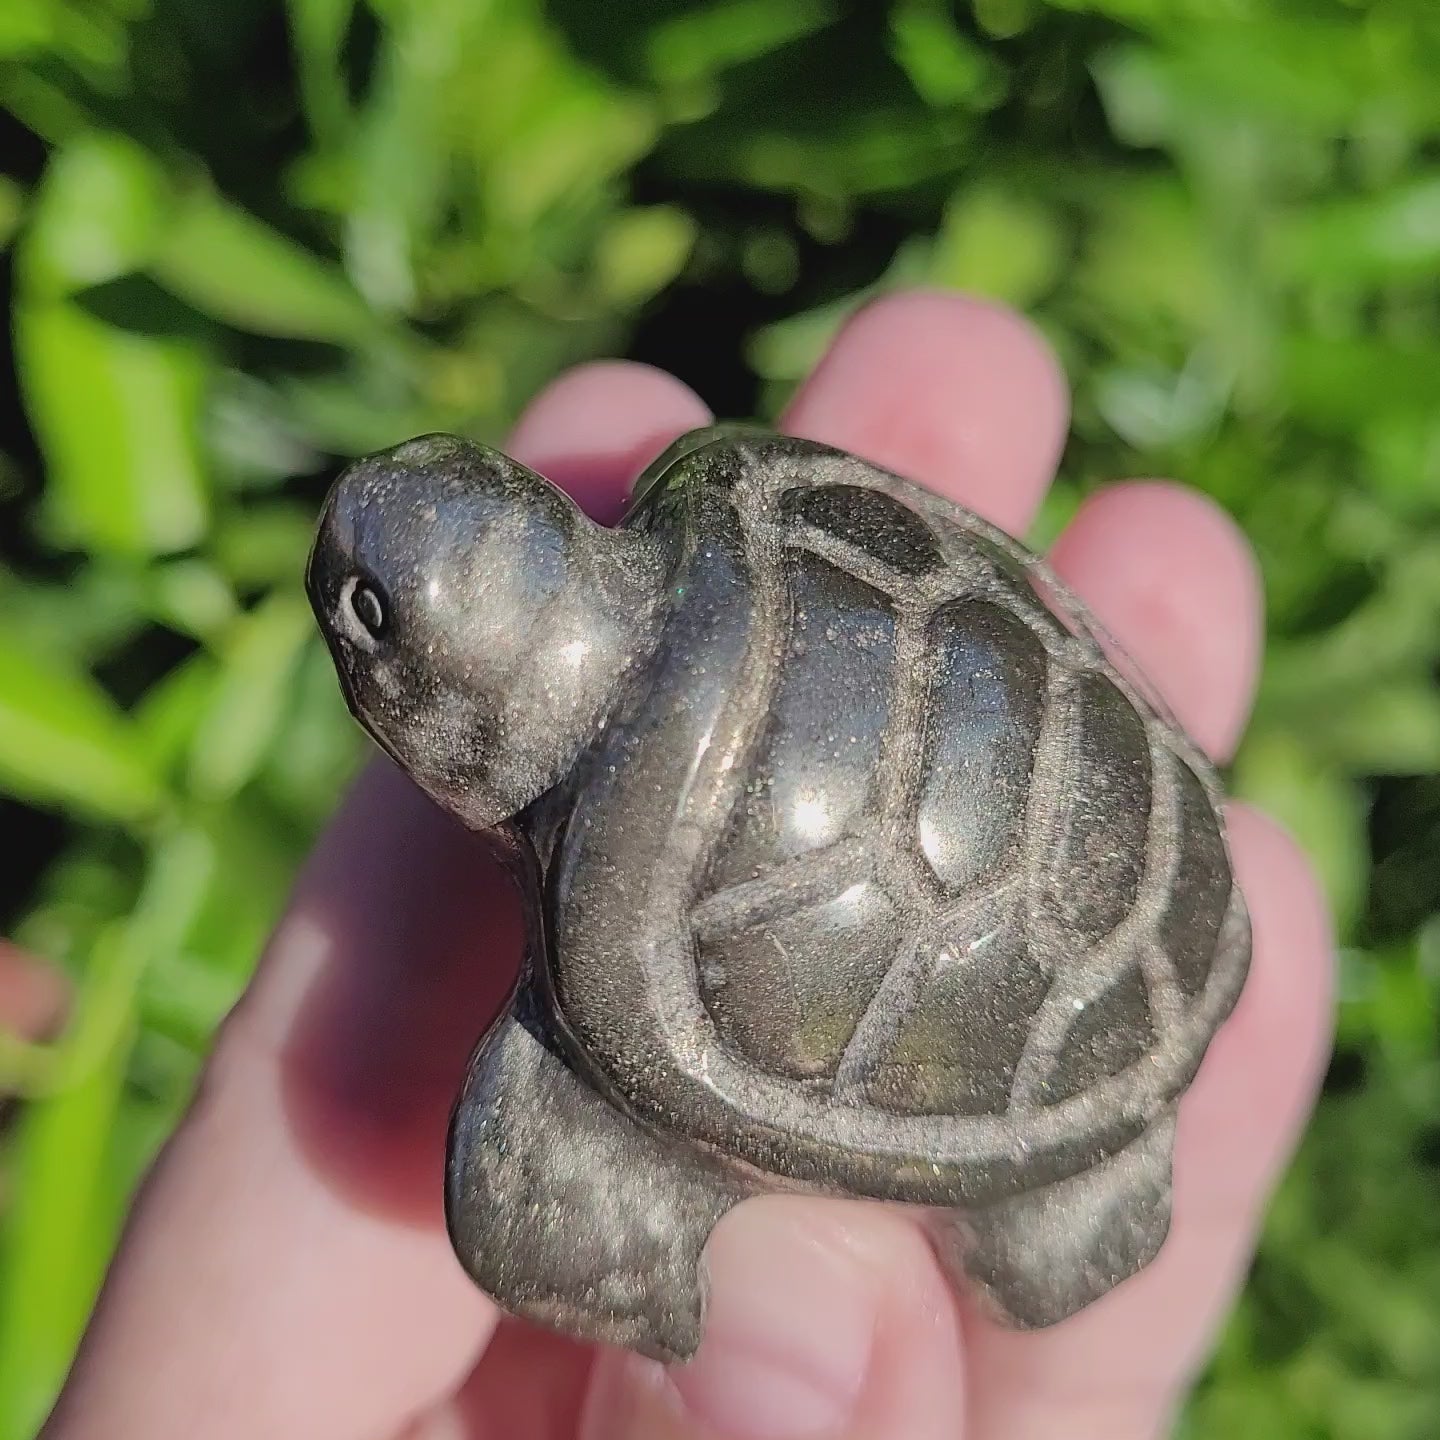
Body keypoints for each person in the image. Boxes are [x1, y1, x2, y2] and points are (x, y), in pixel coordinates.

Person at [39, 291, 1333, 1440]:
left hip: (1064, 1016)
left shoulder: (609, 982)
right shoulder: (730, 489)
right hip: (1125, 807)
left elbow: (550, 1220)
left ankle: (1056, 1199)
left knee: (551, 1210)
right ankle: (1054, 1206)